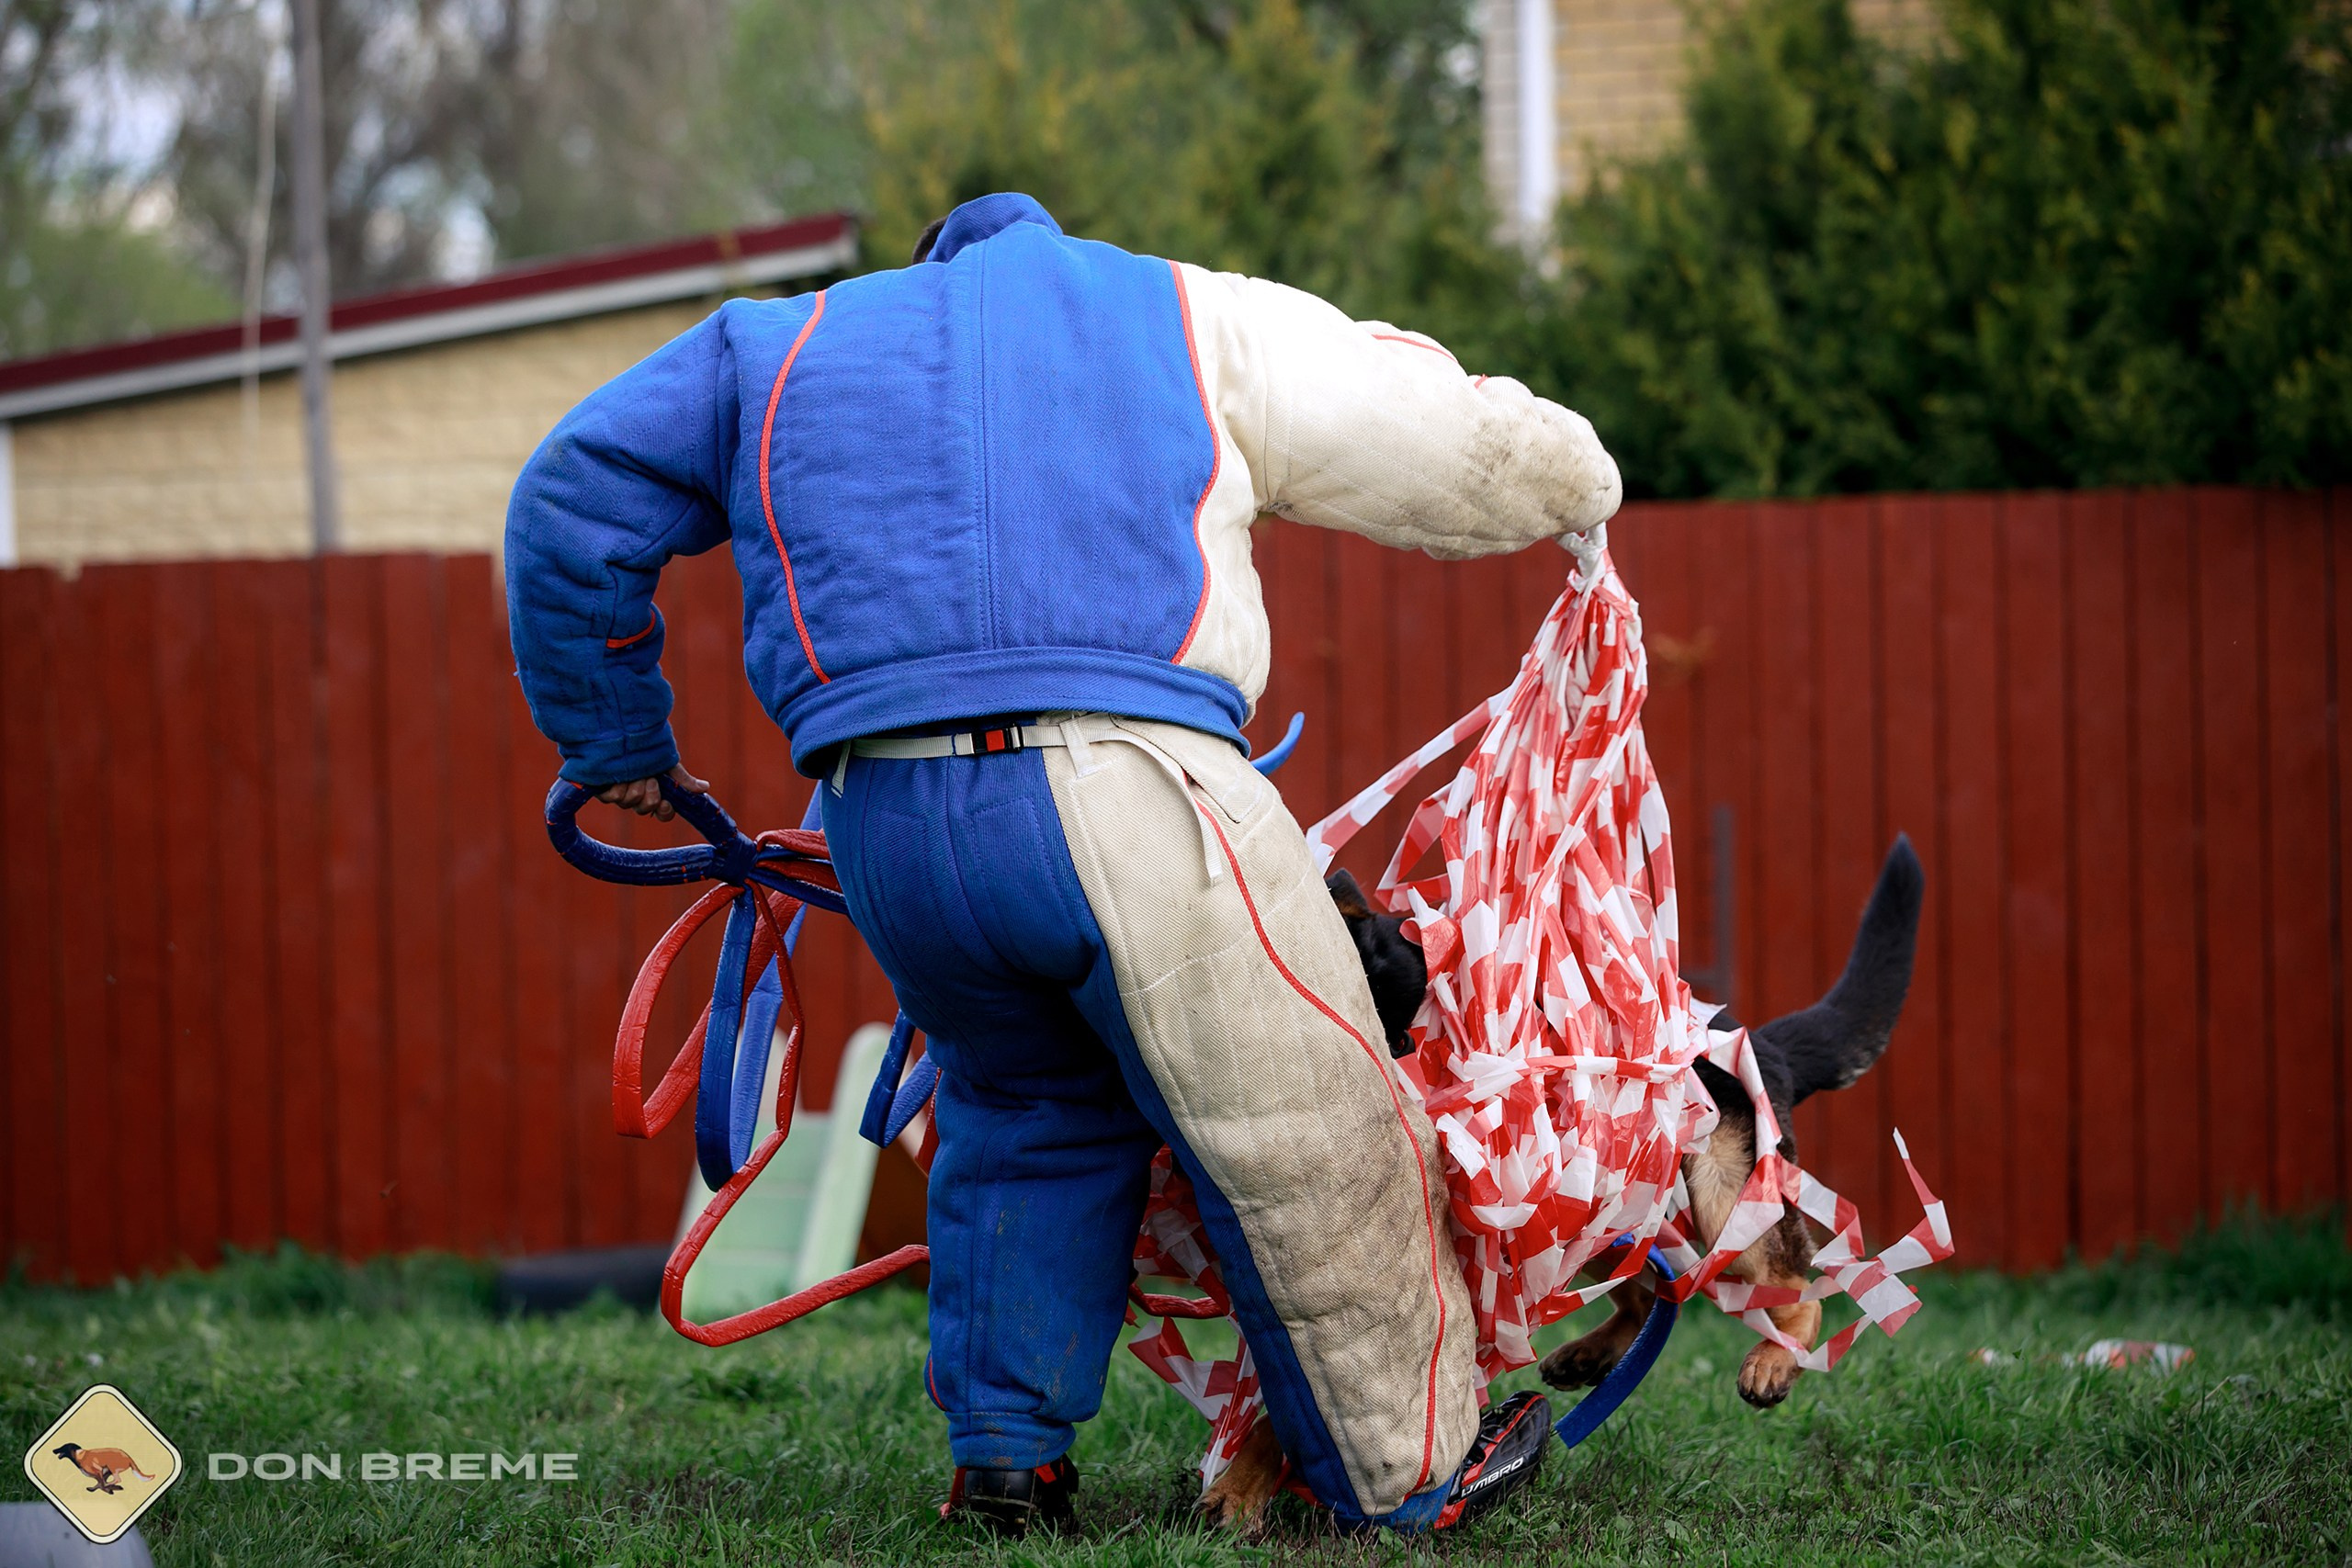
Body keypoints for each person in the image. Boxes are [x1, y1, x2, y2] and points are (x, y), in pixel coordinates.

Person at [505, 192, 1621, 1533]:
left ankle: (1006, 1465)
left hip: (892, 821)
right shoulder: (1179, 308)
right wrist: (1578, 485)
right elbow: (1423, 424)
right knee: (1306, 1121)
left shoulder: (773, 344)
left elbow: (569, 494)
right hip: (1132, 782)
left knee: (1022, 1119)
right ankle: (1408, 1474)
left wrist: (612, 734)